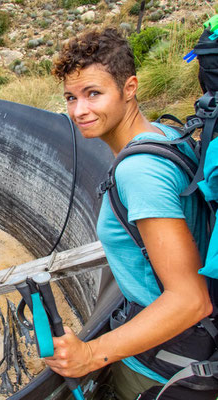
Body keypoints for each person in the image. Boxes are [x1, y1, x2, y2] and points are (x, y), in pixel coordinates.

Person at [46, 27, 217, 400]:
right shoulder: (166, 136)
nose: (79, 110)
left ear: (130, 87)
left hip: (159, 369)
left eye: (93, 93)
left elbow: (190, 299)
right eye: (71, 97)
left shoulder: (138, 172)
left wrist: (90, 354)